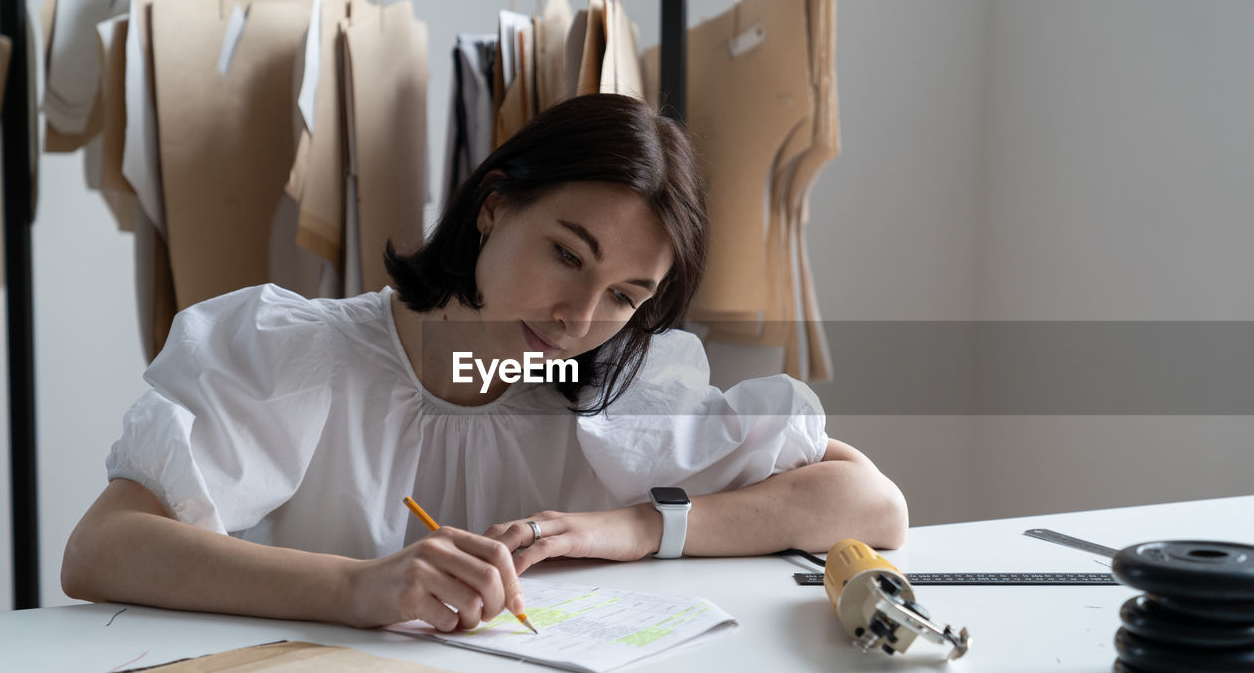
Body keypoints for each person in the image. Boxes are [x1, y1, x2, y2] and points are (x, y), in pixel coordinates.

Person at [62, 94, 906, 633]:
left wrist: (638, 528)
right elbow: (100, 549)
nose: (579, 317)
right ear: (493, 207)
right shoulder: (303, 353)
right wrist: (358, 588)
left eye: (625, 296)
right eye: (568, 256)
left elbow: (871, 504)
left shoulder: (616, 387)